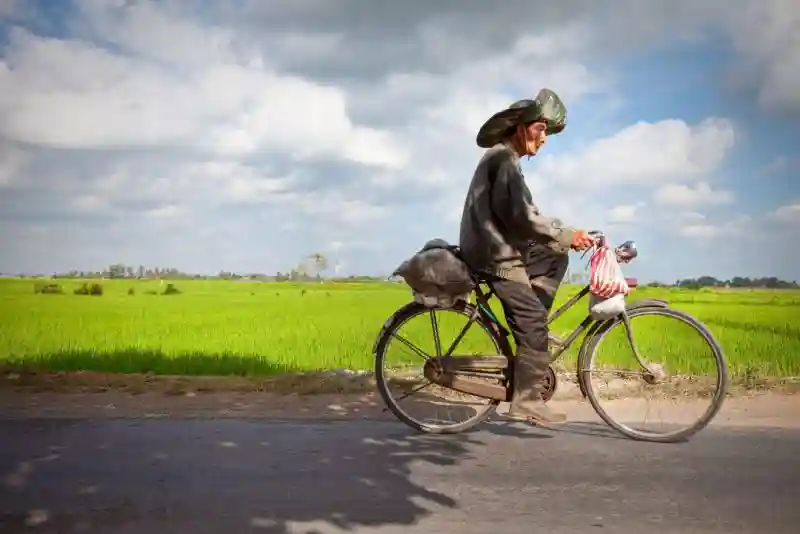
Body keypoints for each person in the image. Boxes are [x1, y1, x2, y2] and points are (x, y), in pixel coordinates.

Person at [458, 88, 595, 425]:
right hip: (495, 255)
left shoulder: (506, 160)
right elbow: (522, 218)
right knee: (533, 321)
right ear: (521, 127)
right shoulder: (503, 160)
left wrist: (563, 237)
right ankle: (527, 398)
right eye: (541, 128)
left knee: (556, 255)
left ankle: (530, 335)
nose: (544, 138)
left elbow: (526, 217)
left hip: (500, 247)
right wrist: (564, 232)